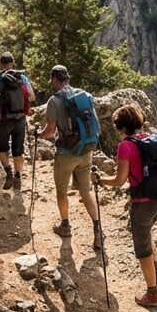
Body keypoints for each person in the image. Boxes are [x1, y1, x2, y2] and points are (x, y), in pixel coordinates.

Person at [101, 103, 157, 308]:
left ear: (121, 128)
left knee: (142, 248)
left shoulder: (125, 146)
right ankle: (155, 273)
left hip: (143, 203)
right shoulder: (149, 139)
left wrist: (100, 180)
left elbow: (119, 180)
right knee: (147, 234)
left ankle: (152, 294)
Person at [37, 65, 100, 245]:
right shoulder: (84, 96)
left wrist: (37, 135)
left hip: (66, 153)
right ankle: (97, 227)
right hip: (86, 150)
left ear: (54, 80)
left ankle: (65, 226)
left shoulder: (54, 101)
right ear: (68, 79)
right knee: (85, 191)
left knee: (62, 191)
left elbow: (50, 131)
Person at [0, 53, 34, 191]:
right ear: (13, 63)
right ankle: (18, 175)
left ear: (1, 63)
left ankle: (8, 172)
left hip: (3, 120)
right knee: (18, 150)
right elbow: (32, 96)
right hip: (19, 119)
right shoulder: (22, 77)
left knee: (1, 148)